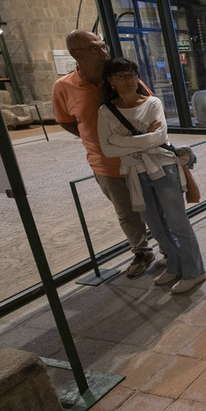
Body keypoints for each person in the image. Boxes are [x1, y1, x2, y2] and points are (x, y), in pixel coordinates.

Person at [96, 57, 206, 294]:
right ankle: (175, 265)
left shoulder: (152, 103)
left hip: (163, 167)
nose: (128, 80)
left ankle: (195, 271)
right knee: (154, 224)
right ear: (110, 81)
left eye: (131, 75)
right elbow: (107, 149)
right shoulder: (106, 111)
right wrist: (138, 141)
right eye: (121, 76)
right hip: (134, 172)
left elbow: (158, 138)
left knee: (178, 222)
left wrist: (121, 140)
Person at [52, 30, 156, 278]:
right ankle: (142, 251)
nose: (103, 52)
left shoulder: (122, 78)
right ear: (76, 54)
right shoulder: (63, 87)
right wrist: (93, 138)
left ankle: (168, 247)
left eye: (103, 46)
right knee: (126, 213)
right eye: (94, 48)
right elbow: (65, 120)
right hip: (104, 163)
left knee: (152, 206)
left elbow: (152, 108)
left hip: (140, 158)